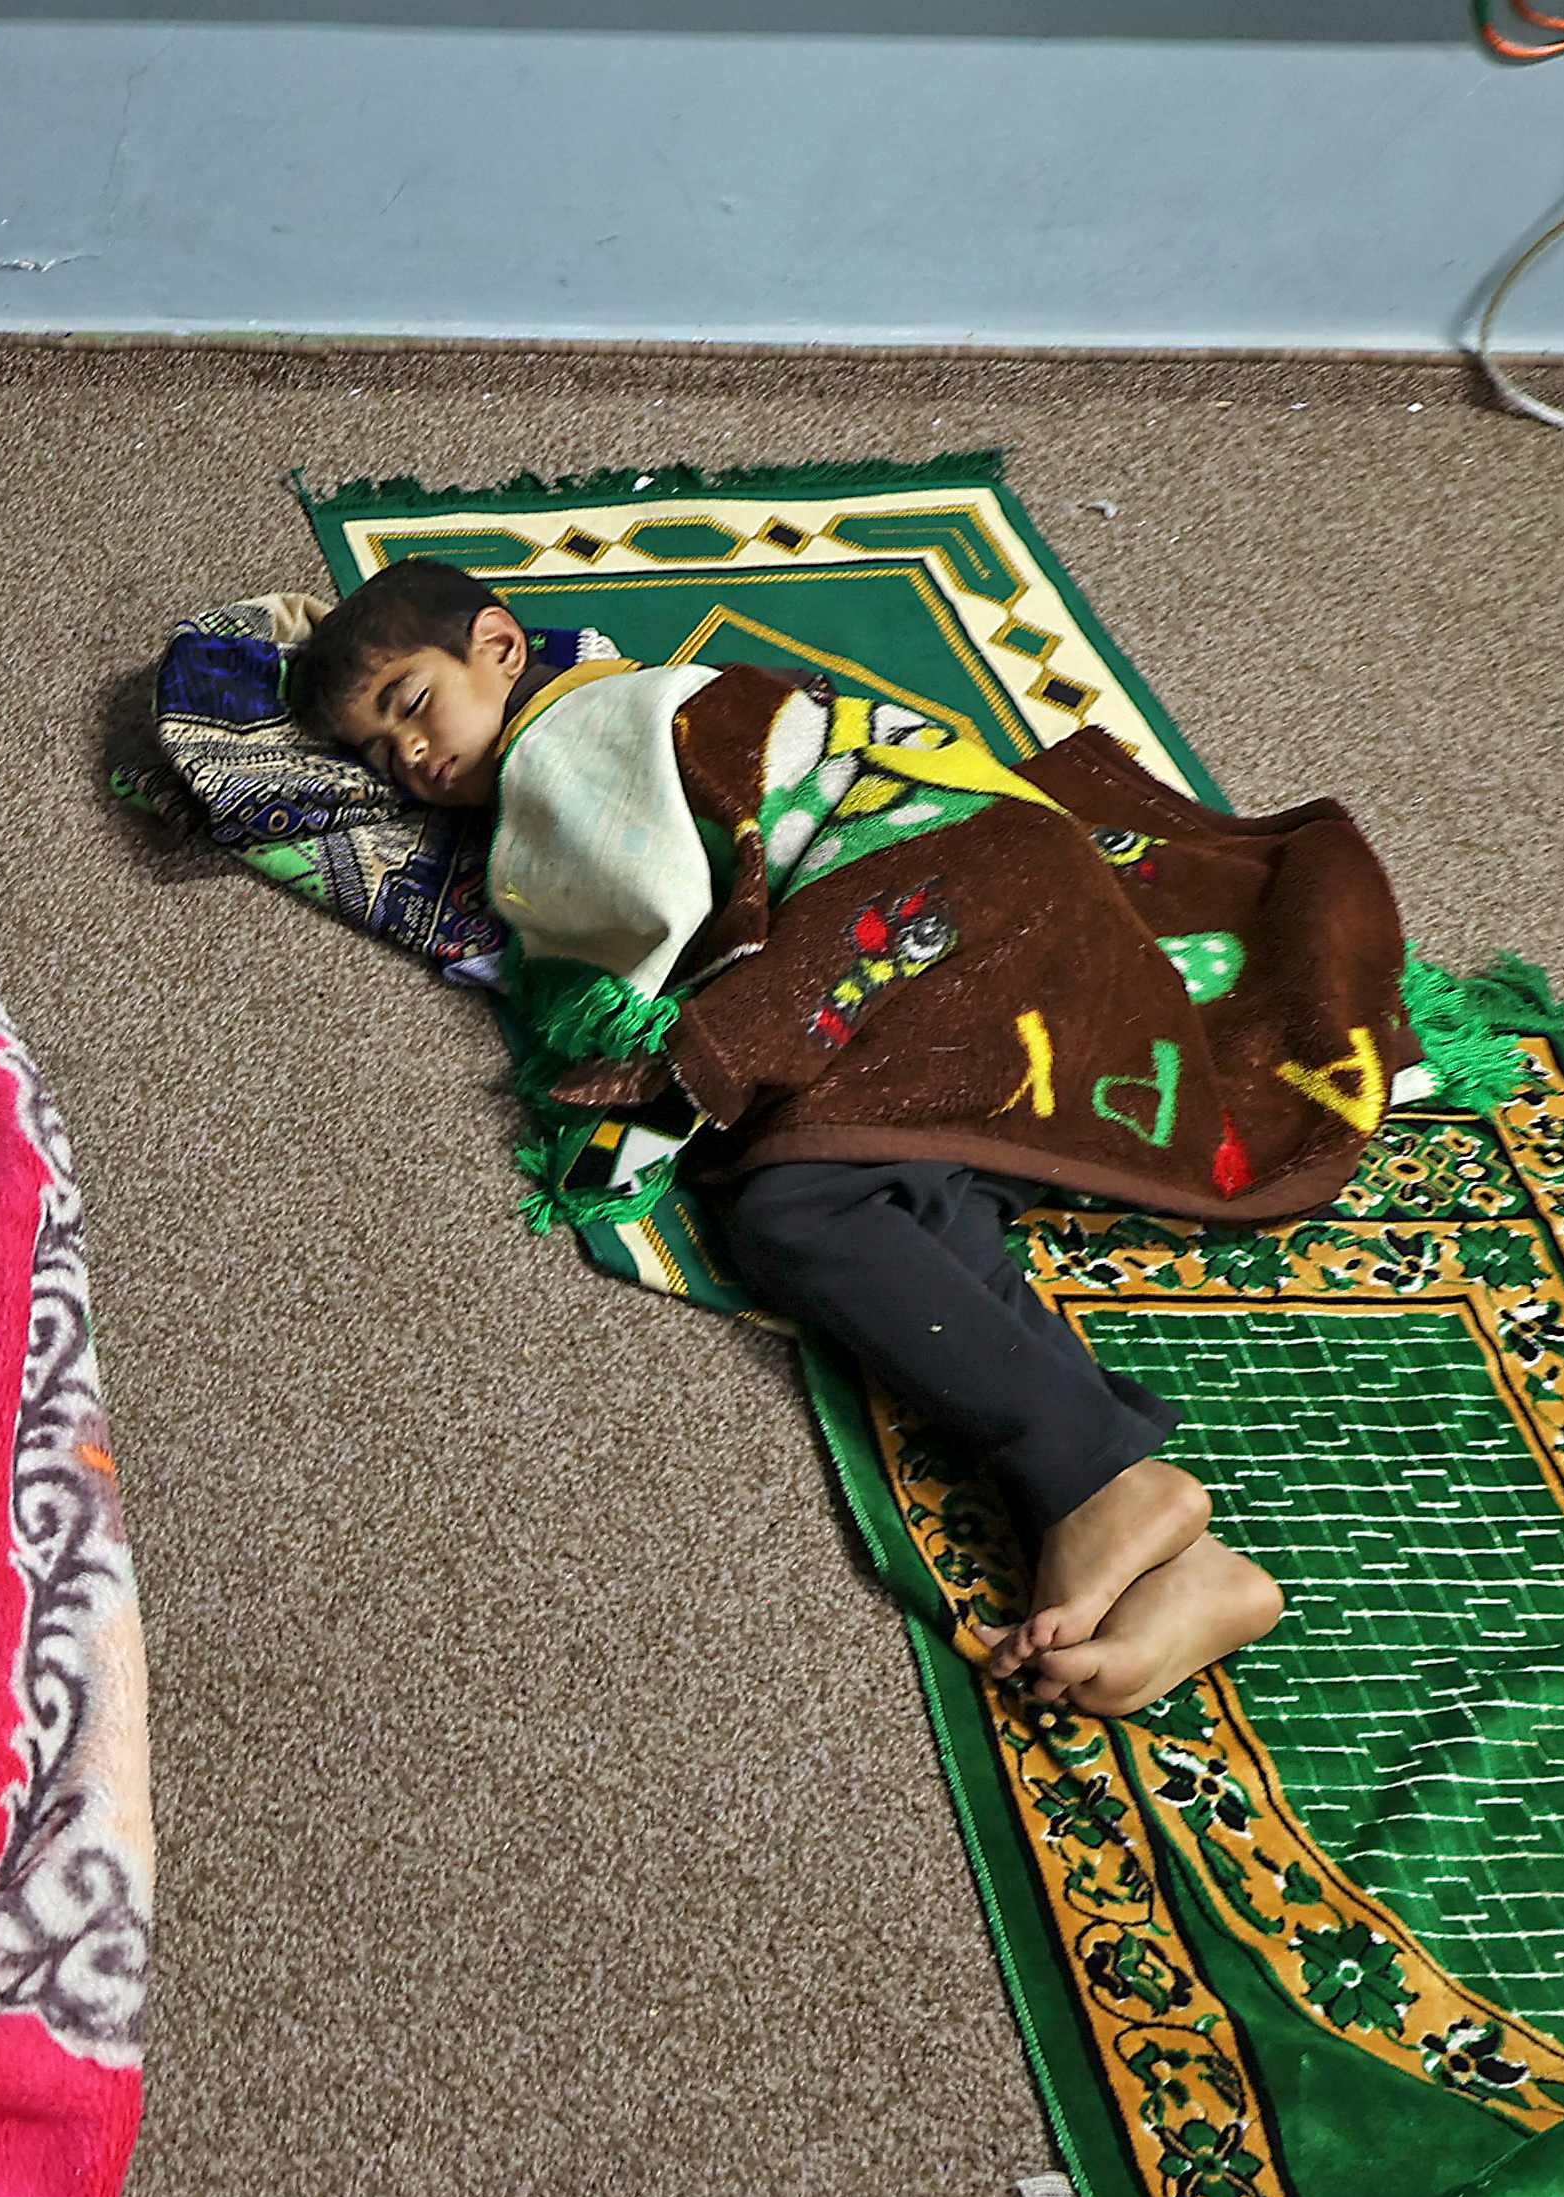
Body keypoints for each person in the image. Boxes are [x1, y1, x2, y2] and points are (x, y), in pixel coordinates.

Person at [294, 558, 1432, 1717]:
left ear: (499, 646)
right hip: (1028, 901)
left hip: (942, 905)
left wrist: (629, 1085)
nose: (411, 761)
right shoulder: (670, 694)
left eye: (411, 706)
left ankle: (1097, 1483)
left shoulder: (573, 734)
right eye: (380, 756)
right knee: (908, 1194)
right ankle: (1174, 1550)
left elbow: (628, 929)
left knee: (795, 1209)